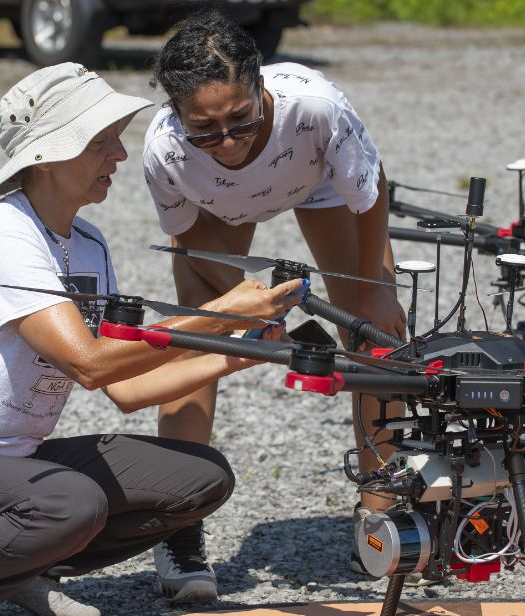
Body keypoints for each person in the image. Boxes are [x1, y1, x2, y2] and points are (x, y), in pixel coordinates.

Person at [0, 63, 303, 616]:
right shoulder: (7, 237)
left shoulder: (89, 244)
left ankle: (18, 570)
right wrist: (222, 310)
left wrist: (243, 353)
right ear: (48, 156)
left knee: (201, 479)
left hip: (13, 464)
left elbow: (128, 386)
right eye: (99, 143)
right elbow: (91, 363)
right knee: (73, 500)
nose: (119, 156)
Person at [142, 9, 406, 584]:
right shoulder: (167, 150)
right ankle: (179, 534)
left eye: (241, 119)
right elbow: (190, 243)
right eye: (205, 129)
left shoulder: (315, 108)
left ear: (261, 88)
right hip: (220, 207)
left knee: (378, 336)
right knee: (192, 340)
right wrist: (246, 310)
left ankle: (381, 514)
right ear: (176, 115)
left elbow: (369, 193)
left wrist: (371, 295)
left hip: (320, 184)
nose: (229, 141)